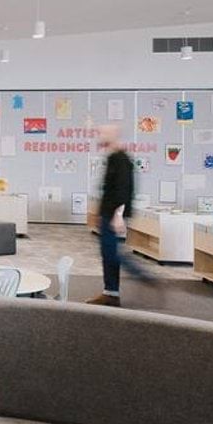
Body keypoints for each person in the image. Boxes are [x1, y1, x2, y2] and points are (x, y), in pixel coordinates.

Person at [87, 124, 156, 307]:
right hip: (106, 214)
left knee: (113, 254)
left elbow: (125, 189)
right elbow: (108, 189)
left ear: (112, 135)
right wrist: (96, 212)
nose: (100, 135)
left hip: (113, 215)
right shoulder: (111, 157)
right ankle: (111, 293)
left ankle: (143, 275)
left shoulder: (122, 159)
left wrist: (118, 215)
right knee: (109, 253)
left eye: (103, 132)